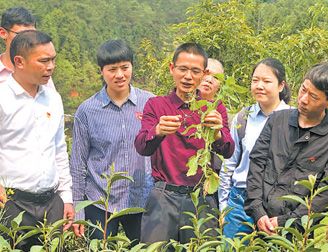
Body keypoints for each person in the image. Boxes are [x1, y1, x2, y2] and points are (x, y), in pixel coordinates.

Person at [134, 42, 234, 246]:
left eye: (195, 71)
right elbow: (142, 146)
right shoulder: (157, 105)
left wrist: (217, 132)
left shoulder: (213, 108)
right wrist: (158, 131)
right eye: (182, 69)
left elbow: (228, 150)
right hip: (164, 196)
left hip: (201, 198)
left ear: (204, 73)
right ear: (172, 69)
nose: (188, 77)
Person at [245, 62, 328, 234]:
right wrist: (257, 210)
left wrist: (286, 222)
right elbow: (257, 164)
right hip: (256, 222)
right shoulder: (277, 120)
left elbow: (324, 192)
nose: (303, 99)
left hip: (296, 233)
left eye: (314, 97)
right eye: (303, 89)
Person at [70, 40, 154, 245]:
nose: (120, 75)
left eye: (125, 68)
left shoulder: (150, 102)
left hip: (142, 198)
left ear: (132, 67)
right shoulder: (87, 110)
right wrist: (78, 209)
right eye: (112, 69)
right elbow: (78, 163)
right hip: (100, 201)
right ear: (102, 71)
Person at [0, 30, 73, 250]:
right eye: (44, 61)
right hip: (13, 203)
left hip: (51, 204)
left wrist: (66, 197)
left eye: (53, 59)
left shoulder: (52, 98)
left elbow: (59, 148)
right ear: (19, 62)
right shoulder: (3, 98)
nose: (51, 66)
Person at [219, 58, 291, 238]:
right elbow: (230, 163)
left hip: (276, 203)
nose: (259, 85)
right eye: (255, 80)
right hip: (240, 201)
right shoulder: (243, 117)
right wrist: (224, 206)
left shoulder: (293, 120)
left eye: (266, 81)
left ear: (281, 85)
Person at [0, 7, 55, 88]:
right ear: (3, 33)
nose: (29, 41)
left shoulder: (40, 71)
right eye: (22, 35)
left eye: (32, 34)